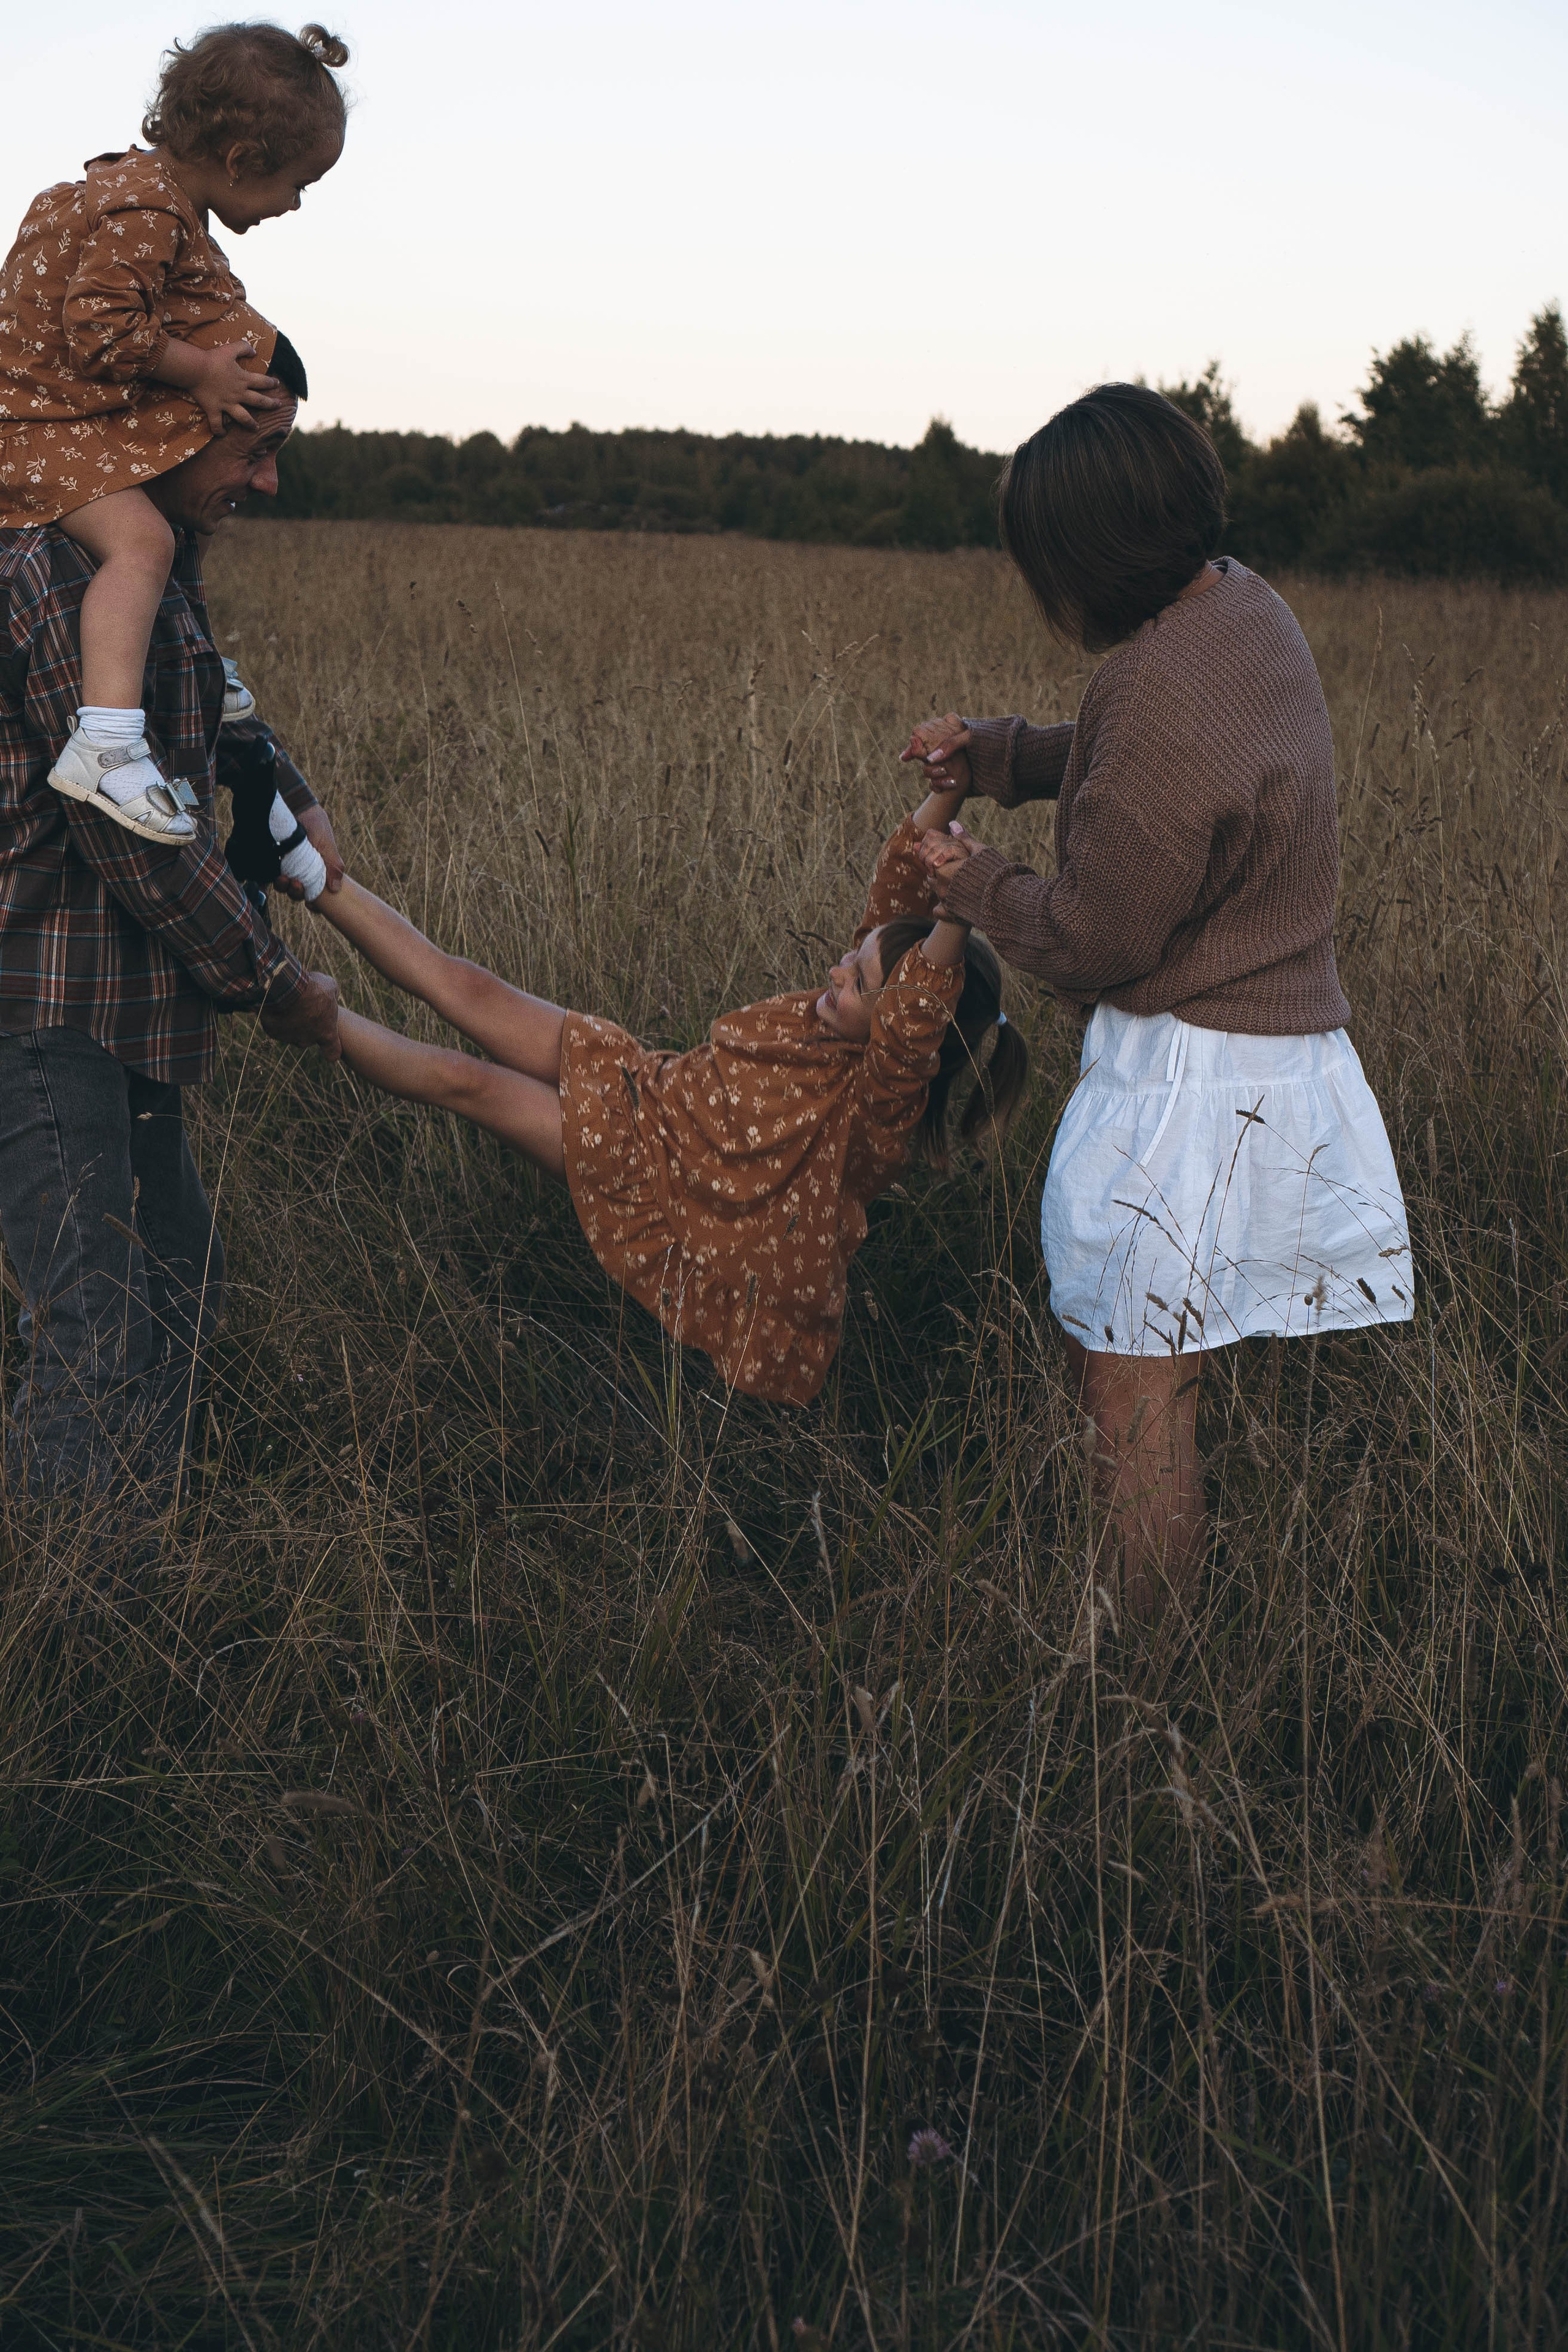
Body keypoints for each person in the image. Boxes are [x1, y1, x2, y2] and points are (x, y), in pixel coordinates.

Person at [905, 383, 1412, 1617]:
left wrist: (975, 882)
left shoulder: (1161, 687)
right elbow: (1148, 754)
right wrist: (1004, 753)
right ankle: (1214, 1632)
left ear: (1084, 560)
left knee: (1132, 1402)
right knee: (1187, 1368)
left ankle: (1145, 1682)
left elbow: (1092, 939)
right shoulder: (1238, 609)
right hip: (1282, 1063)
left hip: (1187, 1087)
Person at [304, 785, 1029, 1404]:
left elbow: (913, 1019)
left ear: (901, 1030)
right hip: (642, 1082)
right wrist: (949, 780)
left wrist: (960, 912)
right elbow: (896, 893)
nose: (839, 971)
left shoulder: (874, 1105)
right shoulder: (842, 1013)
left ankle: (295, 1002)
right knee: (469, 985)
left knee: (471, 1083)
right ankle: (300, 865)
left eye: (858, 980)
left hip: (651, 1177)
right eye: (850, 958)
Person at [0, 350, 342, 1512]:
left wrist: (279, 778)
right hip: (43, 1005)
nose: (270, 480)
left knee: (174, 1299)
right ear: (164, 424)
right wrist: (269, 978)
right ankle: (71, 1643)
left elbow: (207, 705)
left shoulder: (154, 565)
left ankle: (154, 1578)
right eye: (255, 446)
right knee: (95, 1328)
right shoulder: (54, 562)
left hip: (127, 1011)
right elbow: (123, 836)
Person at [0, 21, 348, 847]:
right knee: (145, 543)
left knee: (172, 519)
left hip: (62, 410)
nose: (296, 203)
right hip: (28, 425)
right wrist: (200, 374)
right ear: (239, 161)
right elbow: (98, 328)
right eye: (298, 183)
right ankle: (109, 742)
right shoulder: (148, 209)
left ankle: (184, 657)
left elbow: (222, 309)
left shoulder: (163, 207)